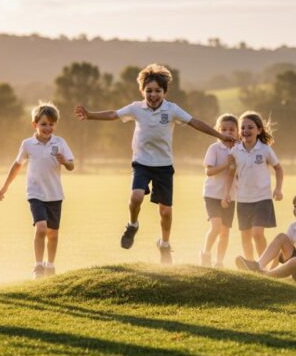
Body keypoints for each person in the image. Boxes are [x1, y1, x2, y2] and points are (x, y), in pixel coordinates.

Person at [74, 63, 234, 264]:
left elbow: (194, 123)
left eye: (158, 91)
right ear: (142, 91)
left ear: (164, 92)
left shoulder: (172, 109)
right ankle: (132, 225)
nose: (153, 95)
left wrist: (219, 135)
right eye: (148, 91)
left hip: (164, 167)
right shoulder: (136, 108)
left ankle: (164, 244)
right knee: (136, 196)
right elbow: (113, 114)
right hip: (141, 162)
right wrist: (90, 115)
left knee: (165, 211)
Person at [0, 102, 74, 279]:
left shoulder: (60, 142)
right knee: (41, 229)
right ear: (35, 125)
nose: (48, 128)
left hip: (54, 194)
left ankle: (50, 265)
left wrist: (65, 162)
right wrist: (5, 187)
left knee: (53, 234)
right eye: (44, 124)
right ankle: (38, 266)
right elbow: (17, 165)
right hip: (35, 194)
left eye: (51, 124)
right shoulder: (27, 144)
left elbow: (71, 165)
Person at [235, 191, 296, 287]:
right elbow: (282, 250)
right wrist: (273, 267)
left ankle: (265, 275)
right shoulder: (293, 226)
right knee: (282, 237)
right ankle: (258, 266)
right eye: (295, 206)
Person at [223, 111, 283, 262]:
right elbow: (231, 174)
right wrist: (226, 193)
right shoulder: (235, 151)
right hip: (243, 199)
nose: (246, 131)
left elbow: (278, 169)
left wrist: (278, 188)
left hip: (262, 198)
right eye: (242, 128)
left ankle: (263, 264)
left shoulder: (265, 149)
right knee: (245, 236)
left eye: (250, 127)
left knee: (257, 233)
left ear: (259, 130)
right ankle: (250, 265)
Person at [199, 114, 239, 268]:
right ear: (217, 130)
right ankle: (205, 253)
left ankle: (219, 262)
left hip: (230, 196)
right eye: (223, 129)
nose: (228, 132)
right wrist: (226, 164)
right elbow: (208, 172)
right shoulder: (214, 148)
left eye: (231, 130)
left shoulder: (239, 149)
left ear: (237, 132)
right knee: (216, 227)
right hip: (212, 194)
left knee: (225, 231)